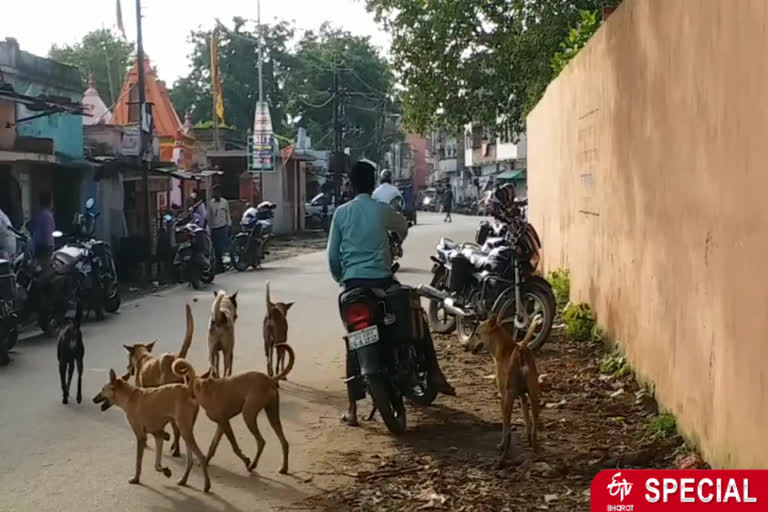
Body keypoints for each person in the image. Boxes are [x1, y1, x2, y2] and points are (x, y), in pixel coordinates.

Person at [327, 160, 455, 426]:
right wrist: (392, 240)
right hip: (383, 282)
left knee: (355, 339)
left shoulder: (341, 213)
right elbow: (403, 227)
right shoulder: (382, 210)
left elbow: (332, 256)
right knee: (414, 310)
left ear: (350, 185)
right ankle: (433, 371)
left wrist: (343, 278)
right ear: (374, 184)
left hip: (352, 287)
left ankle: (352, 409)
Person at [208, 185, 231, 273]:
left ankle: (220, 267)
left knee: (220, 248)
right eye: (215, 192)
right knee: (215, 248)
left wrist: (229, 226)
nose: (216, 194)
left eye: (218, 192)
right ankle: (219, 266)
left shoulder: (224, 202)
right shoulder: (210, 203)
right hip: (214, 228)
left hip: (222, 227)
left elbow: (227, 215)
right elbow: (209, 217)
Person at [29, 192, 55, 263]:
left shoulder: (37, 214)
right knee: (46, 267)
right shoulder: (48, 215)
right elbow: (50, 232)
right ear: (50, 202)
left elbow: (29, 226)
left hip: (37, 246)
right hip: (46, 247)